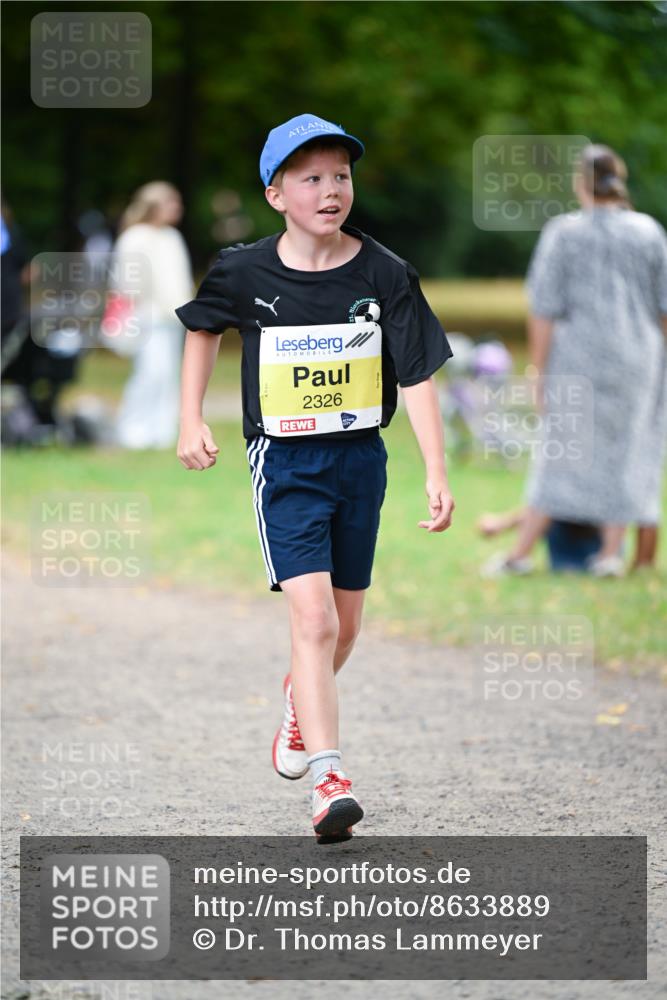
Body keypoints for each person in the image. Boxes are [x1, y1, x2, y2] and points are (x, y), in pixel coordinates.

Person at [175, 114, 455, 842]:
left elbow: (416, 374)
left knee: (346, 625)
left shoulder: (384, 272)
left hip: (360, 460)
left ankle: (300, 705)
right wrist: (189, 418)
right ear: (276, 195)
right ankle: (330, 782)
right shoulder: (242, 271)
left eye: (341, 176)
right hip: (285, 464)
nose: (331, 190)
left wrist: (435, 468)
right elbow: (202, 329)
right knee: (315, 619)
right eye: (311, 179)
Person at [483, 144, 667, 578]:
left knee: (560, 453)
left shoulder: (564, 232)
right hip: (638, 359)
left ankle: (520, 553)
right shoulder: (648, 231)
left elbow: (543, 308)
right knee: (626, 451)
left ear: (580, 184)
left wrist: (538, 370)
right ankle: (610, 554)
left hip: (577, 359)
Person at [113, 182, 193, 449]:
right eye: (171, 202)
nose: (176, 208)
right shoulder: (135, 237)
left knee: (168, 375)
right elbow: (127, 283)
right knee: (150, 373)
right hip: (146, 317)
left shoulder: (172, 237)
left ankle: (162, 432)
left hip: (173, 317)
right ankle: (133, 430)